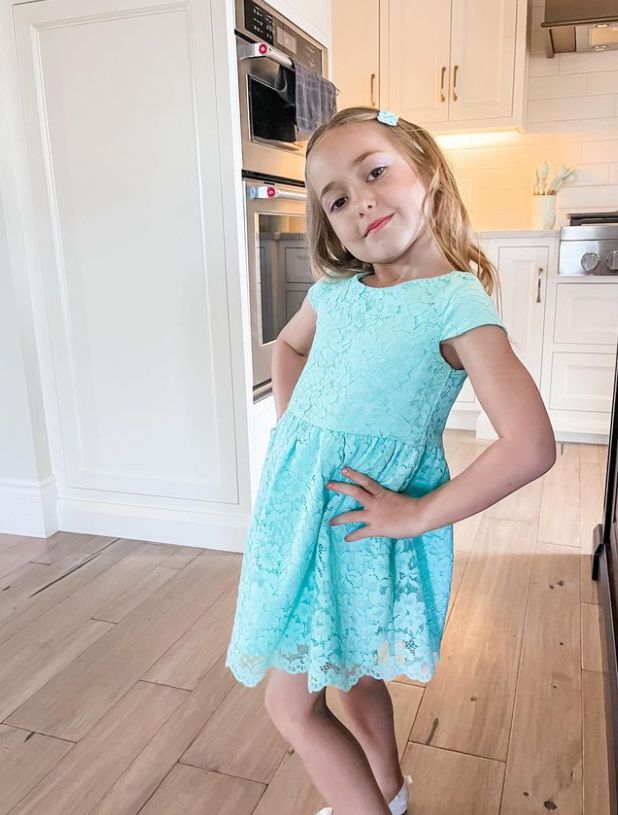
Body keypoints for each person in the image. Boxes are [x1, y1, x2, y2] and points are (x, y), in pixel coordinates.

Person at [225, 106, 556, 815]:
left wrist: (417, 514)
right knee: (352, 672)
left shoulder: (453, 304)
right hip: (303, 516)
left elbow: (529, 444)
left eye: (375, 171)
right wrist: (297, 431)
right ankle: (392, 790)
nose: (359, 201)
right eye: (336, 198)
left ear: (429, 176)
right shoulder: (336, 293)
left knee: (291, 707)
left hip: (357, 530)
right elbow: (287, 348)